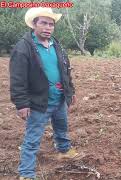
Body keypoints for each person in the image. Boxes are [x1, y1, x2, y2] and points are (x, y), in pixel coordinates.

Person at [9, 7, 78, 180]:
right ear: (34, 24)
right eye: (44, 23)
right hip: (39, 101)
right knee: (32, 139)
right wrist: (22, 104)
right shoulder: (24, 48)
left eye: (51, 24)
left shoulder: (56, 44)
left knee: (62, 128)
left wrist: (70, 91)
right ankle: (26, 173)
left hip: (59, 98)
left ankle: (64, 150)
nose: (48, 27)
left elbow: (65, 70)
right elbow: (18, 79)